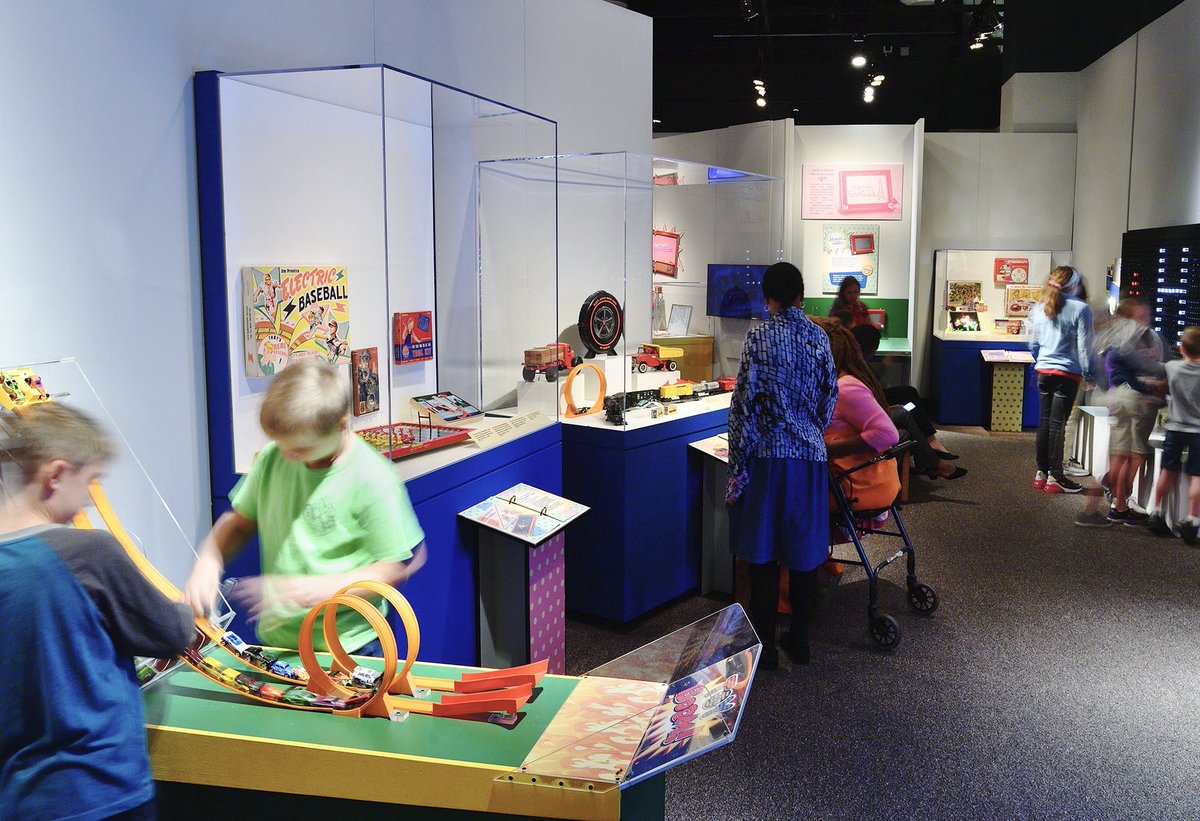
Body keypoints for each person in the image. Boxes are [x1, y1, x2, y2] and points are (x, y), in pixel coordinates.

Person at [0, 404, 194, 820]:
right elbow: (169, 633)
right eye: (90, 481)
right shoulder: (90, 554)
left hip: (20, 798)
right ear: (55, 475)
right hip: (100, 788)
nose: (89, 496)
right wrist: (189, 606)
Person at [183, 358, 427, 655]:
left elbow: (397, 564)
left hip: (348, 646)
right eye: (279, 443)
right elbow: (239, 520)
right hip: (278, 643)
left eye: (300, 449)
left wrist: (320, 589)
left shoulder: (372, 477)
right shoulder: (276, 456)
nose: (287, 456)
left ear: (341, 425)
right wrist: (209, 560)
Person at [726, 262, 838, 670]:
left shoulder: (759, 335)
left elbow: (743, 404)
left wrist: (737, 464)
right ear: (800, 296)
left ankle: (766, 649)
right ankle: (801, 640)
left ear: (767, 297)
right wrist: (810, 431)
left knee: (763, 555)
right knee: (804, 553)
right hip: (809, 459)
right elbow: (830, 395)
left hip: (769, 458)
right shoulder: (819, 337)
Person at [1074, 299, 1165, 527]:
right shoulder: (1126, 338)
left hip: (1117, 399)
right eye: (1142, 314)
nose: (1145, 320)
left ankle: (1115, 504)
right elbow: (1141, 365)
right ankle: (1109, 503)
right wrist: (1168, 373)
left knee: (1120, 456)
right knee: (1128, 456)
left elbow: (1101, 375)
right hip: (1132, 400)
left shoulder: (1106, 338)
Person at [850, 323, 966, 479]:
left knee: (908, 394)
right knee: (905, 412)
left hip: (868, 405)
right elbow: (864, 397)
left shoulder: (854, 362)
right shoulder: (853, 367)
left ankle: (931, 449)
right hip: (864, 411)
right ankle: (933, 458)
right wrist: (887, 407)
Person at [812, 318, 904, 509]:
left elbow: (888, 434)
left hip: (854, 487)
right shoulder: (832, 383)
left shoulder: (845, 387)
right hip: (850, 482)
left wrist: (828, 448)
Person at [1027, 265, 1095, 494]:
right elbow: (1085, 348)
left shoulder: (1039, 308)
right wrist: (1089, 373)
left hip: (1043, 371)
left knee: (1044, 423)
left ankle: (1041, 473)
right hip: (1067, 374)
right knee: (1058, 425)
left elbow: (1033, 344)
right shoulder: (1081, 309)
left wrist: (1041, 359)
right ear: (1074, 285)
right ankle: (1056, 476)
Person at [1147, 327, 1200, 542]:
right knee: (1196, 476)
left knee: (1167, 472)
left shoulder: (1172, 367)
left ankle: (1157, 512)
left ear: (1181, 348)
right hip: (1198, 431)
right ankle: (1192, 519)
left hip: (1174, 429)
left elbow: (1153, 371)